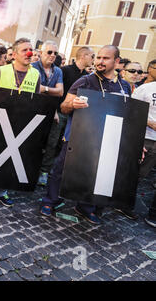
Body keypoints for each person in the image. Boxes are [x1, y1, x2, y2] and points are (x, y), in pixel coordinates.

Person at [40, 45, 131, 225]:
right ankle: (50, 201)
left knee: (95, 174)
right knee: (61, 170)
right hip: (77, 136)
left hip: (106, 140)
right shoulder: (85, 81)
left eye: (106, 58)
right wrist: (73, 104)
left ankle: (85, 207)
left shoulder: (125, 86)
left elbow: (127, 115)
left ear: (117, 62)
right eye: (98, 58)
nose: (100, 61)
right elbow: (64, 107)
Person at [0, 38, 42, 207]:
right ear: (14, 54)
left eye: (30, 49)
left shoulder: (36, 74)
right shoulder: (4, 70)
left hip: (20, 122)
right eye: (24, 50)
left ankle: (1, 191)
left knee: (11, 158)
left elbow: (36, 100)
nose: (29, 53)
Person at [32, 40, 64, 186]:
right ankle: (28, 169)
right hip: (32, 109)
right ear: (40, 53)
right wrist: (50, 91)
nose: (52, 56)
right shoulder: (32, 68)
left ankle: (44, 172)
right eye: (49, 52)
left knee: (51, 143)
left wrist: (43, 89)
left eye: (55, 53)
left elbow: (60, 92)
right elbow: (32, 89)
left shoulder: (57, 71)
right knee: (32, 141)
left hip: (51, 110)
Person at [131, 80, 156, 228]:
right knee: (136, 173)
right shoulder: (146, 89)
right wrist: (149, 123)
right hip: (146, 137)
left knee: (145, 174)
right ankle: (122, 201)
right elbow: (131, 110)